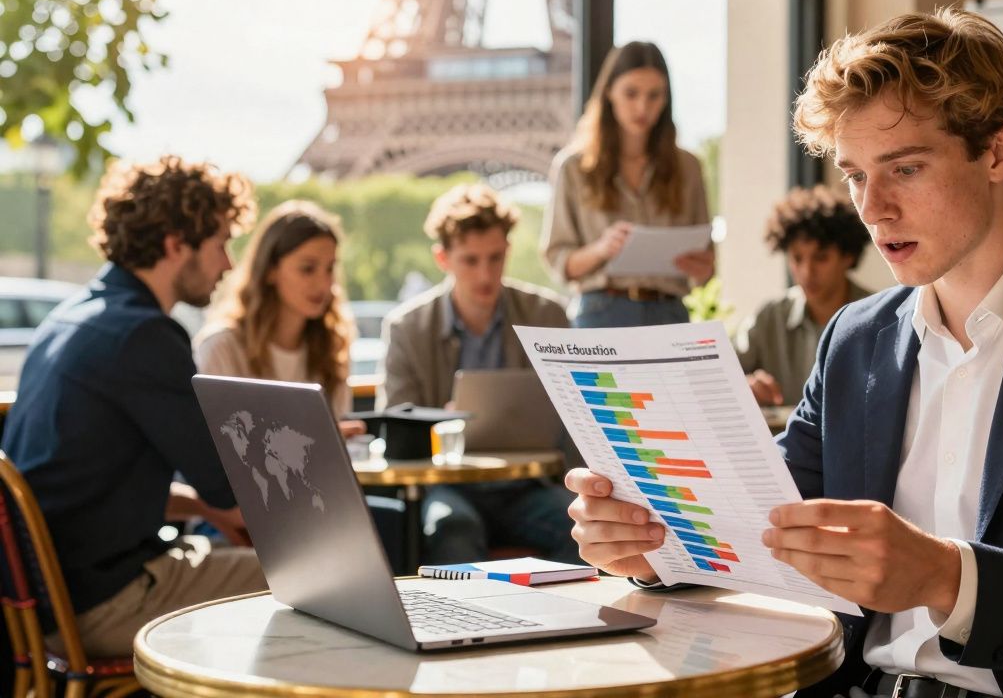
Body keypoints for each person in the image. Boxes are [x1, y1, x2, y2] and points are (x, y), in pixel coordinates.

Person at [563, 8, 1003, 697]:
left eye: (904, 169)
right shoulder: (855, 338)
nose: (872, 208)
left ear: (999, 153)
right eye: (853, 175)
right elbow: (761, 530)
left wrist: (948, 579)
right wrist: (654, 548)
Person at [0, 156, 267, 658]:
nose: (229, 264)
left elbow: (95, 490)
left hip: (42, 606)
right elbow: (232, 488)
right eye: (221, 244)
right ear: (175, 244)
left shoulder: (69, 320)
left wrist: (207, 508)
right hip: (103, 605)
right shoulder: (144, 335)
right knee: (307, 585)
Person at [380, 183, 578, 564]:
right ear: (443, 258)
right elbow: (396, 422)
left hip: (527, 486)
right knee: (454, 529)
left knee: (580, 526)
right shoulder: (406, 327)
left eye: (495, 258)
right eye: (470, 260)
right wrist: (440, 422)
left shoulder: (548, 315)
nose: (486, 274)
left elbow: (576, 413)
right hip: (448, 487)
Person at [542, 41, 715, 328]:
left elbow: (705, 270)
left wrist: (702, 267)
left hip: (669, 315)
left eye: (654, 95)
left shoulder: (688, 168)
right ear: (609, 92)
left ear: (666, 99)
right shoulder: (573, 167)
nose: (642, 107)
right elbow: (560, 263)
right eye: (631, 93)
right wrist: (602, 249)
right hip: (601, 313)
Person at [195, 200, 358, 424]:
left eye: (330, 268)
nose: (324, 284)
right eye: (307, 269)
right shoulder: (221, 348)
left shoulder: (333, 347)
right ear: (270, 270)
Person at [737, 185, 870, 407]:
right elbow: (724, 376)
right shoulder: (769, 317)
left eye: (821, 258)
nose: (807, 272)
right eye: (797, 259)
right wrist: (745, 385)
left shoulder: (882, 317)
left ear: (848, 256)